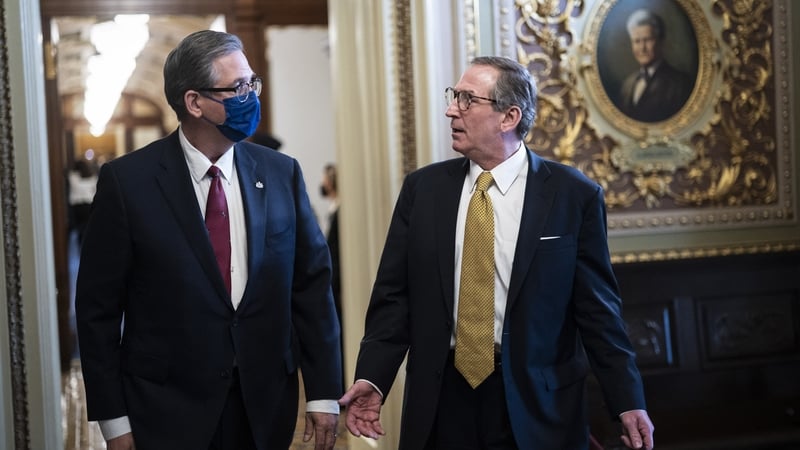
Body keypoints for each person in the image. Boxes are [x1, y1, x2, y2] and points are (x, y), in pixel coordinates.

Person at [339, 56, 655, 449]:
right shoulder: (424, 190)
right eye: (454, 97)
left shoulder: (573, 195)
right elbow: (393, 300)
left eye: (467, 100)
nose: (451, 109)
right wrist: (373, 379)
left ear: (509, 117)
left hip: (537, 404)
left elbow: (598, 312)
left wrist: (626, 400)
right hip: (442, 400)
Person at [75, 30, 342, 450]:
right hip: (165, 408)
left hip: (265, 403)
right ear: (194, 102)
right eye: (236, 88)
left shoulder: (280, 173)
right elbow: (97, 312)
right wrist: (113, 420)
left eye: (251, 83)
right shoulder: (128, 183)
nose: (250, 96)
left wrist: (324, 392)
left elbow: (311, 288)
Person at [617, 8, 693, 122]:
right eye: (637, 41)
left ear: (660, 41)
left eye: (648, 40)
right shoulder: (627, 84)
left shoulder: (680, 84)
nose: (642, 48)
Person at [67, 156, 98, 246]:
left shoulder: (73, 177)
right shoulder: (93, 177)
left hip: (77, 207)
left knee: (79, 229)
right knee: (88, 228)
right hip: (89, 205)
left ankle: (81, 246)